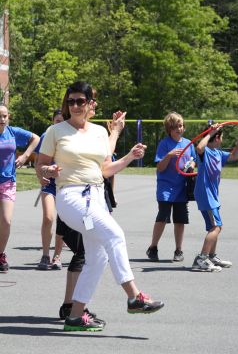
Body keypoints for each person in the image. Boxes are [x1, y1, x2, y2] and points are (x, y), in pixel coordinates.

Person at [36, 81, 164, 332]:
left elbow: (105, 170)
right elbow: (39, 165)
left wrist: (129, 157)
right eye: (70, 101)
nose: (74, 106)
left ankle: (74, 315)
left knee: (98, 257)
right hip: (71, 197)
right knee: (115, 235)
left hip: (96, 197)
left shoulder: (99, 132)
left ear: (89, 104)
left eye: (80, 101)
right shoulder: (56, 131)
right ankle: (134, 296)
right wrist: (47, 170)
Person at [58, 102, 126, 324]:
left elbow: (106, 158)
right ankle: (71, 307)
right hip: (77, 201)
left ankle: (75, 309)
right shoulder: (67, 130)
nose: (95, 103)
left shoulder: (95, 131)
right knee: (85, 252)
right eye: (92, 99)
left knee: (93, 253)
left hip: (94, 198)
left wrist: (114, 131)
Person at [192, 122, 238, 272]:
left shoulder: (218, 153)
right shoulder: (206, 152)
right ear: (217, 138)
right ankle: (201, 259)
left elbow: (235, 155)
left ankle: (210, 256)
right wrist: (210, 132)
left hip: (212, 196)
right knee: (216, 227)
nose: (221, 139)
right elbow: (199, 147)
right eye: (221, 136)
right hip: (205, 195)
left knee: (215, 226)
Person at [146, 112, 196, 262]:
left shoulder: (188, 143)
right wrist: (169, 155)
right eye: (175, 127)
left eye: (180, 126)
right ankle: (153, 247)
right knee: (163, 217)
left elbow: (193, 161)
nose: (179, 129)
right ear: (169, 129)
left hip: (182, 187)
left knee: (180, 220)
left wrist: (191, 166)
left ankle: (178, 250)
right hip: (166, 188)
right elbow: (160, 167)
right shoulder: (164, 144)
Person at [0, 104, 40, 272]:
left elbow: (36, 138)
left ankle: (0, 254)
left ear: (8, 117)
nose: (2, 119)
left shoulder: (13, 132)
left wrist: (24, 156)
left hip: (7, 182)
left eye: (4, 116)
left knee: (6, 221)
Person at [34, 109, 64, 270]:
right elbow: (37, 163)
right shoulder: (47, 136)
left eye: (62, 121)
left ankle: (57, 256)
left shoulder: (70, 136)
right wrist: (41, 177)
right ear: (52, 121)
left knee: (63, 220)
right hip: (49, 184)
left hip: (66, 183)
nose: (59, 124)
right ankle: (45, 254)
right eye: (57, 121)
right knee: (48, 217)